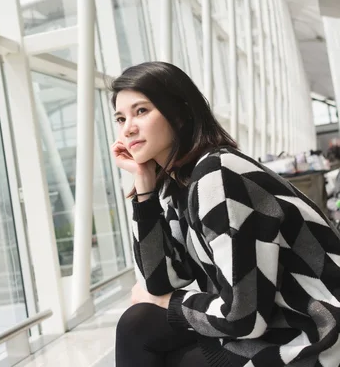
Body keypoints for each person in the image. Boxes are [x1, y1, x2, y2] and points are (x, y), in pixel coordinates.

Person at [110, 62, 340, 367]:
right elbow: (160, 280)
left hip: (313, 340)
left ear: (179, 112)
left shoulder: (217, 175)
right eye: (120, 118)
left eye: (141, 111)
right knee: (137, 324)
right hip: (275, 325)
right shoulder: (185, 182)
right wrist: (144, 188)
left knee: (144, 330)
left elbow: (243, 319)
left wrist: (166, 303)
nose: (128, 128)